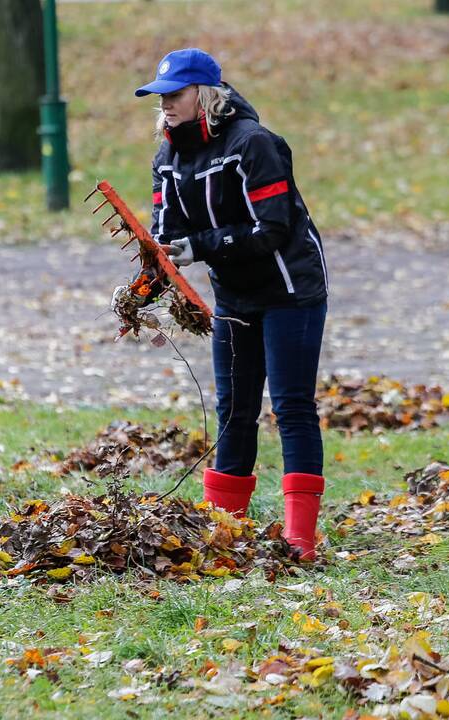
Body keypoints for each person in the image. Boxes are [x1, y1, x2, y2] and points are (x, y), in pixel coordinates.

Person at [130, 48, 330, 560]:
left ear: (205, 95)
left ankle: (300, 540)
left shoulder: (254, 144)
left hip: (290, 289)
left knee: (290, 406)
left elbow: (272, 229)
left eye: (175, 95)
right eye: (160, 97)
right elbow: (166, 234)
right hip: (235, 294)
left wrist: (200, 247)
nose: (166, 105)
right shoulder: (167, 160)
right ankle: (226, 532)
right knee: (234, 411)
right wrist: (150, 278)